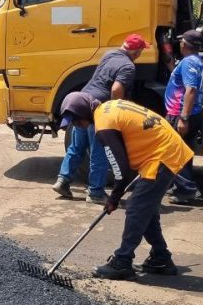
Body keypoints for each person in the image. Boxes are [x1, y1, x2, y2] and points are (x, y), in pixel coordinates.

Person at [57, 91, 195, 280]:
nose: (76, 125)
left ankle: (122, 261)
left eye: (75, 120)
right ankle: (161, 258)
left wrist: (113, 198)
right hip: (162, 151)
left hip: (162, 155)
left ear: (83, 112)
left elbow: (119, 169)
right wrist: (115, 196)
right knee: (146, 209)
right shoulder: (107, 109)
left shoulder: (104, 125)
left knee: (136, 209)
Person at [52, 34, 147, 204]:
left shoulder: (109, 54)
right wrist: (114, 112)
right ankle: (95, 192)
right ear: (137, 52)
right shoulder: (128, 66)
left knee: (77, 146)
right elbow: (117, 89)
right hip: (98, 109)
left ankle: (63, 180)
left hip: (82, 102)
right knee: (99, 151)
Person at [164, 30, 203, 204]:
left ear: (185, 44)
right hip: (191, 112)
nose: (179, 44)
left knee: (174, 151)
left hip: (180, 113)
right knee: (183, 150)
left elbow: (190, 90)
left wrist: (183, 118)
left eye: (181, 41)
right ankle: (179, 186)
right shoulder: (197, 61)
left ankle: (187, 189)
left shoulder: (188, 62)